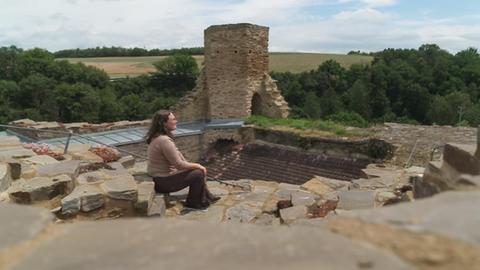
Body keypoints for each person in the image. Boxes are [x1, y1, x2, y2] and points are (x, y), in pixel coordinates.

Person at [145, 110, 220, 210]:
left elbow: (179, 158)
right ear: (164, 123)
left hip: (159, 179)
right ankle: (193, 202)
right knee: (198, 173)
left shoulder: (158, 137)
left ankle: (207, 196)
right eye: (173, 119)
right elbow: (179, 165)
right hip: (163, 182)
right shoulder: (164, 141)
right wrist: (199, 166)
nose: (176, 121)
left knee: (195, 170)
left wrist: (191, 166)